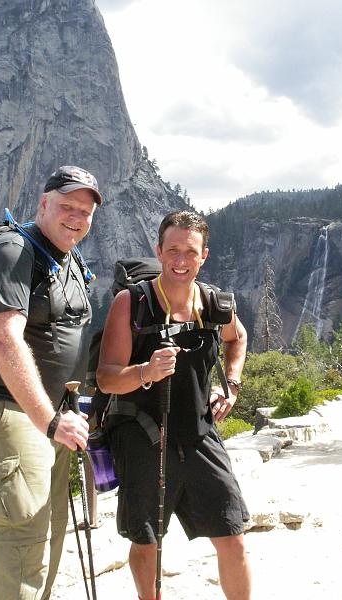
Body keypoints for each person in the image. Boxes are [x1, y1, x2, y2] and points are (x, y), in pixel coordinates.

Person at [0, 165, 101, 599]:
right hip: (9, 411)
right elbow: (3, 338)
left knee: (52, 532)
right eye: (67, 206)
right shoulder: (14, 250)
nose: (76, 216)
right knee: (22, 543)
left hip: (53, 414)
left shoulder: (69, 259)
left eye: (86, 210)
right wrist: (49, 420)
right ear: (42, 203)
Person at [97, 210, 252, 600]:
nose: (180, 261)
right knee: (147, 540)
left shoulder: (215, 303)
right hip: (143, 435)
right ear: (159, 251)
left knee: (231, 535)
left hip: (201, 434)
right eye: (172, 251)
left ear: (204, 255)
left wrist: (230, 385)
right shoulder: (130, 303)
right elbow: (107, 377)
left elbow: (239, 337)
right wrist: (146, 371)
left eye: (190, 251)